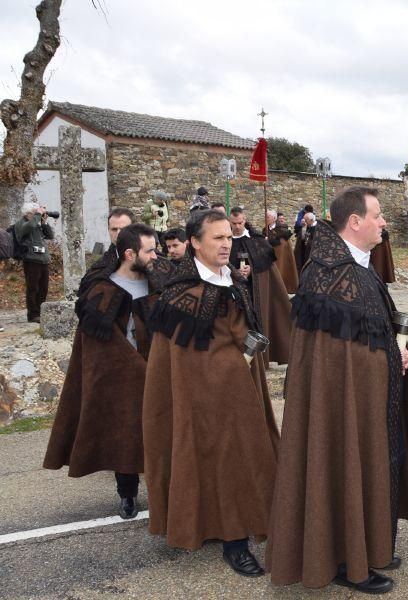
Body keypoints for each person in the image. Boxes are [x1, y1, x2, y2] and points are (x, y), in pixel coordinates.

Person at [266, 186, 408, 593]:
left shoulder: (358, 266)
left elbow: (364, 336)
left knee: (372, 465)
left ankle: (368, 547)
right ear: (354, 222)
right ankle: (342, 559)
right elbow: (333, 359)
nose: (384, 222)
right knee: (343, 464)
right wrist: (387, 354)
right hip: (341, 405)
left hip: (369, 396)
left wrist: (395, 352)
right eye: (378, 216)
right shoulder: (332, 273)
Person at [143, 209, 279, 577]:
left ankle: (240, 527)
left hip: (241, 386)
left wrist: (245, 357)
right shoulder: (179, 293)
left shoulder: (233, 279)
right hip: (201, 397)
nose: (225, 244)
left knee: (245, 456)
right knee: (217, 459)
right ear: (194, 243)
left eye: (228, 237)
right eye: (217, 238)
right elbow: (176, 360)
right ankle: (233, 540)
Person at [43, 223, 158, 519]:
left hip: (158, 372)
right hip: (119, 378)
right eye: (150, 250)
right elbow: (94, 345)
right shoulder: (100, 290)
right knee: (124, 435)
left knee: (162, 433)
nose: (156, 255)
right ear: (131, 254)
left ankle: (163, 490)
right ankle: (128, 494)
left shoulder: (159, 281)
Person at [228, 207, 292, 365]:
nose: (237, 226)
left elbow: (266, 260)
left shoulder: (256, 239)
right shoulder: (225, 240)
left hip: (253, 291)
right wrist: (233, 271)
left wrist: (252, 269)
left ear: (245, 220)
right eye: (234, 223)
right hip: (231, 292)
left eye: (240, 222)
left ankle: (259, 359)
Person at [14, 202, 55, 322]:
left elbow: (50, 235)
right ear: (27, 213)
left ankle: (40, 312)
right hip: (31, 260)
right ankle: (32, 314)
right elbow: (28, 227)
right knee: (33, 288)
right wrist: (38, 214)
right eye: (34, 213)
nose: (38, 215)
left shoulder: (37, 223)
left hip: (43, 260)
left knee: (43, 288)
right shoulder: (22, 223)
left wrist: (44, 222)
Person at [264, 209, 299, 293]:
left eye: (267, 217)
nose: (265, 218)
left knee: (281, 271)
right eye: (265, 217)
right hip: (270, 255)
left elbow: (283, 240)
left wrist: (269, 240)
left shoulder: (281, 228)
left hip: (280, 255)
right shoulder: (265, 229)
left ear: (274, 218)